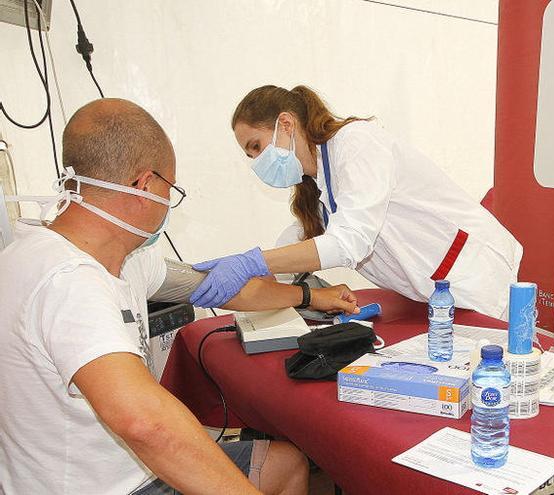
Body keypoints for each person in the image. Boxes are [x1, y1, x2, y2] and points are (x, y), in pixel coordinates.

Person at [0, 99, 359, 495]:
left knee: (287, 463)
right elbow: (144, 424)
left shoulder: (114, 256)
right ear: (145, 185)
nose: (168, 201)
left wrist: (308, 296)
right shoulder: (70, 280)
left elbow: (222, 288)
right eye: (169, 189)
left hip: (117, 470)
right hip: (107, 487)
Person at [189, 85, 523, 319]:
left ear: (286, 123)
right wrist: (244, 273)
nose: (257, 163)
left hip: (477, 276)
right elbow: (297, 242)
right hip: (436, 292)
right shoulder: (318, 185)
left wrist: (253, 263)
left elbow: (349, 243)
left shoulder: (356, 144)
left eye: (256, 147)